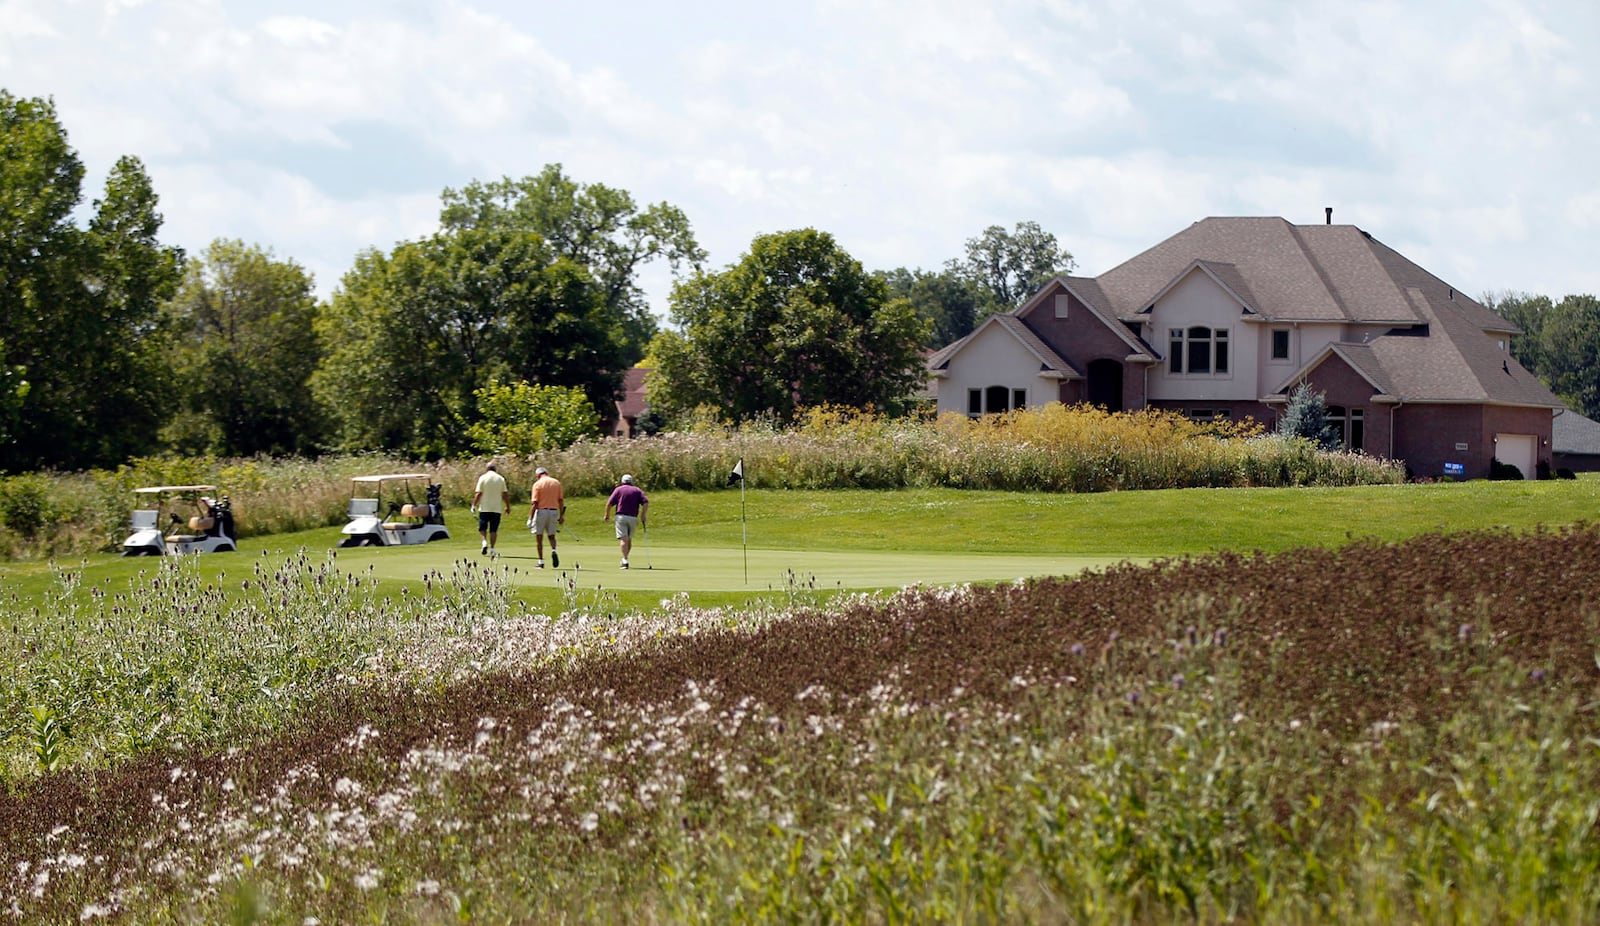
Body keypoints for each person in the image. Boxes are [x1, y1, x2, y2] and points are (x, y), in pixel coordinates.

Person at [603, 473, 648, 569]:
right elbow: (645, 502)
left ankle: (625, 560)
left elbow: (609, 503)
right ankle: (625, 558)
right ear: (631, 481)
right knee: (628, 539)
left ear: (622, 481)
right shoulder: (637, 490)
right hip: (633, 518)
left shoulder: (618, 489)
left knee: (624, 539)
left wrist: (607, 514)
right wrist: (643, 514)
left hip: (621, 517)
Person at [526, 465, 565, 568]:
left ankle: (541, 561)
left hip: (541, 512)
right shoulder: (556, 483)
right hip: (553, 512)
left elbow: (534, 503)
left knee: (539, 537)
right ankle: (553, 550)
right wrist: (561, 516)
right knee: (552, 536)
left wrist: (530, 518)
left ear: (538, 475)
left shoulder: (537, 484)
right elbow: (561, 501)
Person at [471, 461, 510, 557]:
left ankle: (484, 541)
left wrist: (473, 505)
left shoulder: (483, 478)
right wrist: (508, 506)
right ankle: (492, 548)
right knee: (493, 530)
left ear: (487, 469)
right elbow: (505, 494)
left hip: (484, 507)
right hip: (496, 508)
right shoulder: (500, 479)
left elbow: (479, 493)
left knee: (482, 527)